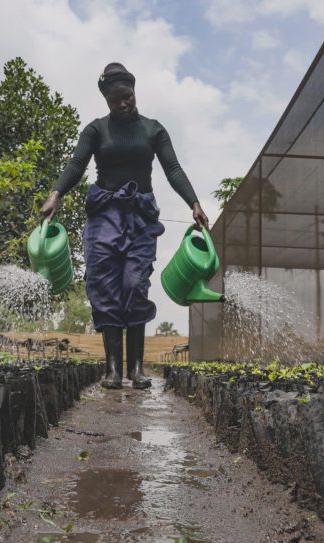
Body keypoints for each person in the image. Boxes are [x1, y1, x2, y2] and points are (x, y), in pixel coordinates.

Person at [39, 62, 209, 390]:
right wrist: (55, 193)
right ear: (105, 98)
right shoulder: (95, 130)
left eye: (127, 96)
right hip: (104, 214)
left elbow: (172, 168)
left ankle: (137, 370)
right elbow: (76, 164)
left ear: (134, 91)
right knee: (106, 287)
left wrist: (195, 202)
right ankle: (113, 370)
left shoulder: (153, 129)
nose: (123, 103)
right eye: (115, 99)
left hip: (141, 215)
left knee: (134, 284)